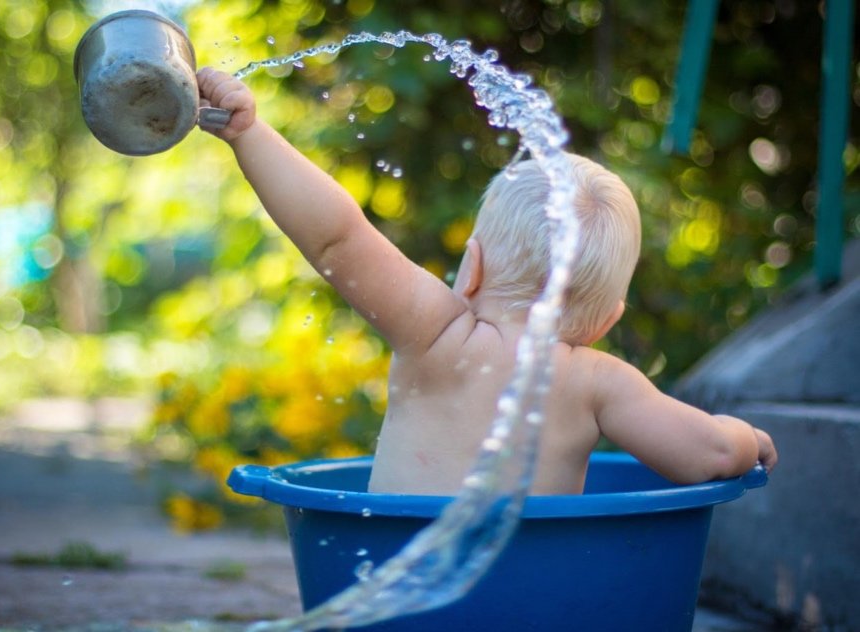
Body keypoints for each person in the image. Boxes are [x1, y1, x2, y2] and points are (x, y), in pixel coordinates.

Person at [196, 67, 778, 495]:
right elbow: (711, 454)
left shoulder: (436, 336)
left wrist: (249, 132)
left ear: (469, 267)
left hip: (398, 584)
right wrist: (748, 438)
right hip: (530, 603)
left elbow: (338, 238)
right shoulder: (599, 383)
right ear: (608, 320)